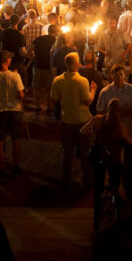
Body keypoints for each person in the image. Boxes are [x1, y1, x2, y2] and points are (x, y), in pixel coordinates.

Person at [81, 98, 132, 230]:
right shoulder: (120, 126)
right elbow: (131, 142)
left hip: (99, 158)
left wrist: (92, 133)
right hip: (114, 160)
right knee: (117, 184)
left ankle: (97, 218)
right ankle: (118, 211)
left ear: (107, 108)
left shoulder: (98, 119)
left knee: (98, 187)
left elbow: (82, 131)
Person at [51, 51, 95, 188]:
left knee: (68, 152)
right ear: (77, 64)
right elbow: (88, 101)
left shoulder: (57, 80)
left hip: (66, 120)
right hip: (82, 121)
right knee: (84, 152)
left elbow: (54, 99)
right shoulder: (82, 81)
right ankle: (87, 180)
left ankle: (66, 178)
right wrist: (93, 90)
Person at [0, 50, 26, 176]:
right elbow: (21, 95)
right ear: (7, 61)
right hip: (14, 111)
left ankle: (2, 168)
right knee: (16, 140)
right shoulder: (15, 76)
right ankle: (16, 166)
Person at [96, 64, 132, 137]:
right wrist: (112, 114)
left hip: (130, 129)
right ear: (112, 76)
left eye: (121, 74)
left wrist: (130, 112)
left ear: (125, 75)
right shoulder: (105, 92)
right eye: (116, 75)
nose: (119, 78)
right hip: (112, 131)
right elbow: (100, 111)